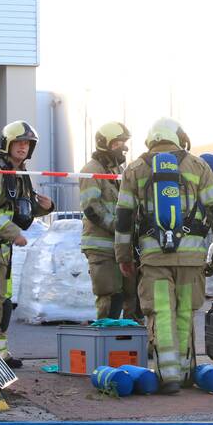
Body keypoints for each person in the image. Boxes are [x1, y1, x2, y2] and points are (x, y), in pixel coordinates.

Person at [114, 118, 213, 394]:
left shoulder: (136, 168)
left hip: (154, 257)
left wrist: (123, 255)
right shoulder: (198, 165)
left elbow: (124, 216)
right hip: (192, 257)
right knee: (185, 313)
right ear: (179, 138)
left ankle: (168, 376)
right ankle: (186, 371)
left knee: (161, 312)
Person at [0, 120, 54, 366]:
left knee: (3, 303)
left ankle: (0, 353)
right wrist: (12, 233)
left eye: (27, 144)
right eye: (18, 143)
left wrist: (46, 208)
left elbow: (21, 210)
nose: (23, 147)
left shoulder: (20, 176)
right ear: (7, 144)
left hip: (4, 250)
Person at [80, 121, 138, 319]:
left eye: (123, 142)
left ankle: (130, 342)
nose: (123, 147)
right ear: (104, 144)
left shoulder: (119, 172)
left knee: (132, 295)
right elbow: (91, 207)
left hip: (121, 245)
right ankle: (107, 343)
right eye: (117, 143)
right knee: (110, 297)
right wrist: (119, 226)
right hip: (101, 247)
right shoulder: (91, 169)